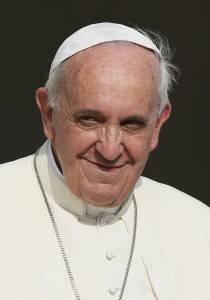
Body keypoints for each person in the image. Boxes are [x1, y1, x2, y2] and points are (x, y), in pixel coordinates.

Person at [0, 22, 210, 300]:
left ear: (157, 126)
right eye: (89, 119)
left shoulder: (199, 228)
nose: (110, 150)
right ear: (49, 115)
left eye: (132, 123)